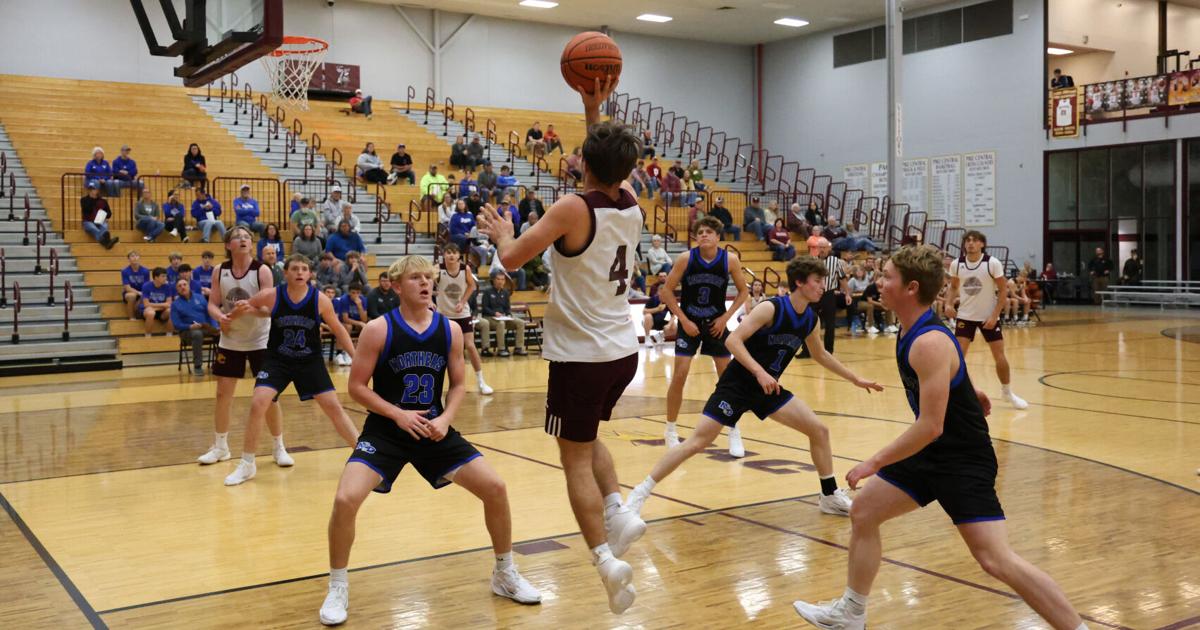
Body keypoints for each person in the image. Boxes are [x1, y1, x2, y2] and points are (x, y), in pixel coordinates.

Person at [793, 245, 1088, 630]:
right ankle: (851, 614)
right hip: (931, 452)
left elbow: (930, 425)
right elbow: (949, 370)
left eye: (887, 277)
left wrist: (875, 461)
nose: (880, 283)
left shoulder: (927, 341)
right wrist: (968, 389)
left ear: (911, 288)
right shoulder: (913, 327)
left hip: (962, 459)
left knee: (995, 559)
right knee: (864, 512)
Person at [476, 75, 646, 614]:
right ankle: (618, 508)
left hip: (580, 355)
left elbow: (511, 259)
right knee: (588, 433)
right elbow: (604, 166)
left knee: (571, 456)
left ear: (582, 163)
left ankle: (604, 559)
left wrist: (502, 231)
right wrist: (595, 110)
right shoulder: (632, 202)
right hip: (622, 349)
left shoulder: (573, 209)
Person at [318, 255, 541, 626]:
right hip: (387, 430)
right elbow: (356, 387)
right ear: (397, 285)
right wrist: (397, 413)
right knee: (345, 498)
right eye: (415, 278)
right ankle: (337, 584)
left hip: (433, 429)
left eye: (428, 277)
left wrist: (447, 418)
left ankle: (504, 572)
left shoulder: (449, 330)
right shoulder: (378, 328)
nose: (424, 283)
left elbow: (457, 385)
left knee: (496, 488)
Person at [627, 256, 880, 523]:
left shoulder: (810, 319)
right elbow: (734, 341)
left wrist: (855, 379)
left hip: (768, 388)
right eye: (817, 282)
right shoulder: (771, 308)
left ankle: (829, 496)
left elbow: (821, 355)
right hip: (738, 384)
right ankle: (638, 494)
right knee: (698, 442)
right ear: (799, 282)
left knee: (819, 430)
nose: (822, 287)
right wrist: (758, 372)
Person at [223, 254, 361, 486]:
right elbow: (245, 310)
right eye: (294, 268)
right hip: (278, 359)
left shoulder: (320, 300)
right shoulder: (271, 295)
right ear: (285, 273)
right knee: (259, 402)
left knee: (333, 407)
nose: (299, 272)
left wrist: (355, 357)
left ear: (309, 274)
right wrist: (237, 312)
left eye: (304, 269)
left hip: (310, 361)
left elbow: (338, 329)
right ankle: (247, 463)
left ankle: (364, 458)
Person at [659, 216, 750, 455]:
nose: (703, 235)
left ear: (718, 236)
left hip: (716, 325)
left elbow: (743, 292)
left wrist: (725, 318)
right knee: (679, 374)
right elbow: (666, 292)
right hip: (690, 323)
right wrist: (683, 319)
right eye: (700, 232)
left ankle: (733, 429)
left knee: (727, 379)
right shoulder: (686, 258)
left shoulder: (730, 260)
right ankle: (670, 430)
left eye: (709, 231)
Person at [197, 227, 285, 468]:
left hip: (260, 340)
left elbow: (269, 309)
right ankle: (220, 446)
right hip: (231, 340)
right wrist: (221, 318)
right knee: (223, 394)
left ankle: (279, 447)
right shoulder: (220, 270)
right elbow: (213, 304)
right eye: (238, 237)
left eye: (247, 237)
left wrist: (250, 310)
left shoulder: (262, 270)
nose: (244, 239)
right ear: (228, 245)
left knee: (270, 397)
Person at [945, 231, 1028, 409]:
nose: (970, 244)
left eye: (974, 241)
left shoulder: (992, 263)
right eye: (967, 241)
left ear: (982, 244)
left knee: (999, 355)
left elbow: (1004, 290)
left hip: (987, 317)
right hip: (965, 316)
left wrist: (994, 315)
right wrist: (948, 304)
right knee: (958, 358)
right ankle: (958, 394)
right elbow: (953, 287)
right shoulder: (956, 264)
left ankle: (1007, 392)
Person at [435, 244, 493, 395]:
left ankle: (481, 381)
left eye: (454, 253)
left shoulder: (464, 269)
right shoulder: (437, 268)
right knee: (441, 349)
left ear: (459, 255)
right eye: (448, 252)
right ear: (444, 255)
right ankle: (438, 385)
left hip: (462, 314)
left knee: (470, 346)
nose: (451, 255)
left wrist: (462, 301)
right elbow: (427, 283)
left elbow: (472, 286)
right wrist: (429, 301)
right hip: (443, 315)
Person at [172, 277, 218, 375]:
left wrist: (216, 327)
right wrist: (189, 326)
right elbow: (176, 324)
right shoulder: (175, 304)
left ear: (189, 286)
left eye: (184, 284)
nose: (182, 287)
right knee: (197, 334)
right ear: (177, 290)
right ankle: (198, 366)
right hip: (187, 332)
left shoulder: (200, 297)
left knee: (221, 333)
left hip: (204, 327)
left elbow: (210, 314)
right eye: (179, 286)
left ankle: (220, 363)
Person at [477, 270, 527, 357]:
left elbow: (507, 308)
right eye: (498, 279)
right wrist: (494, 313)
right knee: (501, 323)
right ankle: (501, 349)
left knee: (521, 323)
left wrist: (508, 314)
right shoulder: (487, 292)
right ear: (493, 280)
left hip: (503, 317)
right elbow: (485, 308)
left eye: (503, 279)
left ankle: (518, 348)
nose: (501, 281)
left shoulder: (505, 292)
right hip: (490, 317)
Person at [814, 240, 851, 354]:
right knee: (810, 321)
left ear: (828, 248)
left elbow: (842, 278)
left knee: (830, 323)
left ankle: (828, 350)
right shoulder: (812, 261)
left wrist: (847, 294)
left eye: (824, 247)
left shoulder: (835, 261)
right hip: (814, 294)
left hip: (829, 293)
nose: (822, 249)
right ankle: (807, 350)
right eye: (820, 247)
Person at [641, 271, 676, 346]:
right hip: (652, 321)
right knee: (647, 316)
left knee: (675, 326)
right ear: (658, 292)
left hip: (664, 320)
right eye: (662, 291)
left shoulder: (669, 300)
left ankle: (660, 336)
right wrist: (657, 309)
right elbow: (644, 311)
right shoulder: (653, 299)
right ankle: (647, 339)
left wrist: (669, 325)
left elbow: (673, 315)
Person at [80, 182, 119, 249]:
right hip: (88, 221)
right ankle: (107, 242)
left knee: (105, 226)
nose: (91, 191)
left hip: (100, 220)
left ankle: (106, 243)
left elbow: (109, 213)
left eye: (93, 189)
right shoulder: (84, 200)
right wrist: (92, 199)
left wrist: (105, 216)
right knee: (94, 229)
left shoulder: (103, 201)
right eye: (90, 189)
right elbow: (87, 210)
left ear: (97, 190)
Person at [139, 267, 175, 336]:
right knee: (151, 313)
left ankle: (169, 334)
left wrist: (155, 307)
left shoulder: (168, 286)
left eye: (166, 276)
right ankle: (148, 336)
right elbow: (146, 304)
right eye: (163, 276)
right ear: (156, 277)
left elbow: (169, 304)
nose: (165, 278)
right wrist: (163, 305)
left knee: (172, 310)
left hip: (161, 311)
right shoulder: (146, 286)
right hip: (147, 311)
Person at [121, 251, 151, 320]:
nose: (135, 258)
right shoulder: (125, 271)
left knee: (145, 294)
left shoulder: (145, 271)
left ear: (139, 258)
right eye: (132, 256)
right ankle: (132, 317)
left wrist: (142, 294)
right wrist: (138, 292)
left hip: (142, 292)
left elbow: (146, 286)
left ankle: (138, 312)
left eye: (136, 256)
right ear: (128, 259)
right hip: (129, 292)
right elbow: (127, 288)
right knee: (132, 296)